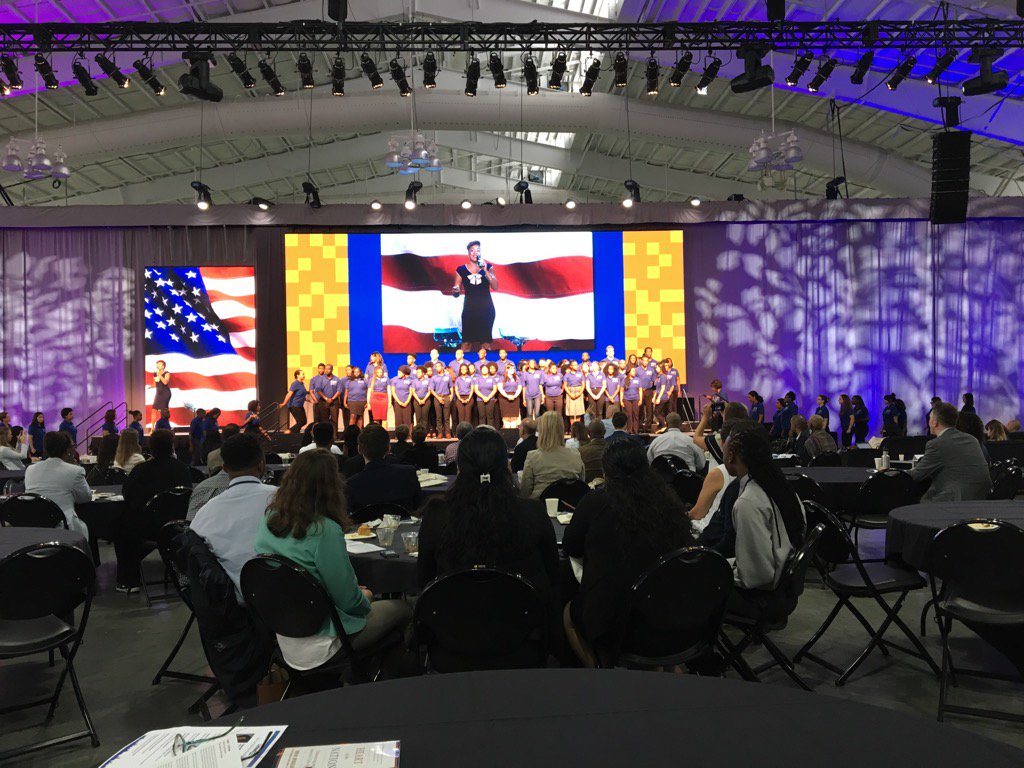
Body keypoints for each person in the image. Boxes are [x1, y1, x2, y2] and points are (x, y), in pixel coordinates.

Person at [254, 450, 412, 672]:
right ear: (332, 486)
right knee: (404, 608)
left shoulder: (269, 519)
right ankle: (390, 679)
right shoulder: (325, 530)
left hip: (286, 637)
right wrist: (365, 596)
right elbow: (350, 602)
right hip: (327, 640)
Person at [562, 440, 696, 666]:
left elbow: (570, 546)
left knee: (568, 613)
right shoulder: (668, 503)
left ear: (606, 473)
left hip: (611, 616)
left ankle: (599, 672)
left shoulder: (595, 502)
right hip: (666, 612)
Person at [418, 426, 559, 602]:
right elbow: (553, 572)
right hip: (521, 612)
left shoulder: (437, 515)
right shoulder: (533, 512)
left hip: (452, 612)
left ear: (460, 468)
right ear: (506, 466)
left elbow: (424, 579)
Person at [724, 427, 805, 611]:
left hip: (763, 599)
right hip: (785, 589)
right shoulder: (781, 486)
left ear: (731, 456)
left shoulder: (748, 502)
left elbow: (757, 575)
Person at [190, 434, 277, 599]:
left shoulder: (204, 514)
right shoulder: (284, 500)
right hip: (285, 598)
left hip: (229, 604)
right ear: (262, 464)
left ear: (224, 468)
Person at [116, 429, 193, 592]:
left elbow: (127, 494)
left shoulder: (141, 470)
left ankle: (128, 581)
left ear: (150, 447)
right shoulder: (182, 469)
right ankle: (183, 576)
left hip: (147, 527)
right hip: (178, 526)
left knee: (121, 530)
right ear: (172, 446)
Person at [909, 402, 991, 502]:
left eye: (929, 418)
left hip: (953, 501)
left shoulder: (936, 444)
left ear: (934, 422)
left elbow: (917, 475)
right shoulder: (971, 439)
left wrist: (894, 472)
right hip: (981, 498)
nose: (928, 422)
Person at [24, 431, 90, 537]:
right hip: (64, 529)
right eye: (73, 446)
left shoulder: (30, 470)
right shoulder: (75, 471)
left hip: (34, 528)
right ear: (68, 450)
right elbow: (85, 498)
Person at [344, 424, 423, 513]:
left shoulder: (351, 485)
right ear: (389, 448)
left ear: (359, 449)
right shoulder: (408, 473)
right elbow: (418, 506)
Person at [520, 410, 585, 499]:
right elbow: (581, 486)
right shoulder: (575, 455)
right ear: (562, 429)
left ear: (541, 431)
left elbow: (525, 492)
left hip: (541, 505)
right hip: (570, 505)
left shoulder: (533, 457)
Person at [451, 240, 498, 350]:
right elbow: (456, 293)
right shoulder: (461, 270)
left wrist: (485, 270)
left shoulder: (488, 267)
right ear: (468, 253)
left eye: (478, 250)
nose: (475, 253)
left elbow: (495, 286)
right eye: (472, 250)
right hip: (469, 310)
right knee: (466, 343)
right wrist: (456, 290)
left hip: (486, 310)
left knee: (485, 344)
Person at [429, 362, 453, 438]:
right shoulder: (434, 378)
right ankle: (440, 433)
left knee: (446, 416)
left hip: (446, 396)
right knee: (438, 417)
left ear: (442, 367)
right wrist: (438, 398)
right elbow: (432, 390)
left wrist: (452, 394)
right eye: (436, 367)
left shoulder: (448, 376)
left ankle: (447, 432)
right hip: (437, 397)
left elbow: (451, 386)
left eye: (439, 366)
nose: (437, 368)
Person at [474, 363, 501, 429]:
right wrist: (483, 397)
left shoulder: (492, 379)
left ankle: (490, 430)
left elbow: (495, 389)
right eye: (483, 369)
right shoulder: (478, 379)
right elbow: (476, 390)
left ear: (488, 370)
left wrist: (488, 397)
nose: (484, 370)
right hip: (480, 400)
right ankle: (482, 431)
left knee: (490, 416)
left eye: (486, 369)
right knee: (481, 416)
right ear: (481, 370)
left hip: (491, 399)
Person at [498, 363, 523, 429]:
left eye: (514, 368)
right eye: (511, 368)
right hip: (504, 398)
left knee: (514, 417)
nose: (513, 370)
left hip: (515, 398)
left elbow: (519, 387)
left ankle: (513, 432)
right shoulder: (502, 378)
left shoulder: (517, 378)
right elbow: (500, 388)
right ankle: (507, 431)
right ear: (507, 369)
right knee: (506, 418)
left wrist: (515, 396)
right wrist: (507, 396)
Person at [151, 360, 172, 430]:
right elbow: (155, 384)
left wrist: (160, 375)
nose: (158, 365)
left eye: (159, 364)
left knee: (164, 411)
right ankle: (152, 428)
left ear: (163, 366)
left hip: (165, 393)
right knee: (154, 410)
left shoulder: (167, 373)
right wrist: (151, 386)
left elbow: (165, 382)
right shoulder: (155, 373)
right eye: (157, 364)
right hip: (158, 393)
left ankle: (166, 427)